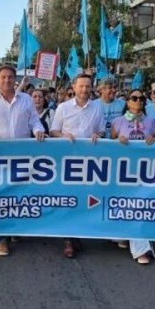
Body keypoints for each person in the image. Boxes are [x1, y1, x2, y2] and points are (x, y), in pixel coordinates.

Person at [0, 66, 46, 257]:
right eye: (3, 77)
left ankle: (14, 227)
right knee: (1, 195)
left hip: (22, 156)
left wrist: (38, 130)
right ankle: (2, 239)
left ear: (15, 80)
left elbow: (34, 120)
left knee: (18, 194)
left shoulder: (26, 100)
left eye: (10, 77)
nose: (7, 80)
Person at [50, 74, 106, 259]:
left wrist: (98, 135)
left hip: (89, 161)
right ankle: (68, 239)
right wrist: (63, 136)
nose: (84, 89)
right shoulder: (63, 107)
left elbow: (101, 130)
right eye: (81, 86)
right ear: (74, 87)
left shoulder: (97, 108)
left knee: (83, 198)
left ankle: (77, 234)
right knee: (69, 198)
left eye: (88, 86)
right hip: (67, 161)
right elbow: (53, 131)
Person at [109, 88, 155, 264]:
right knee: (125, 205)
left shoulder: (151, 122)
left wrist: (153, 140)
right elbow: (108, 144)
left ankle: (141, 249)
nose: (138, 100)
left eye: (141, 98)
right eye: (134, 98)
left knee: (139, 206)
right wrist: (117, 141)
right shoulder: (118, 121)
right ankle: (123, 235)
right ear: (128, 102)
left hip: (144, 172)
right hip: (123, 171)